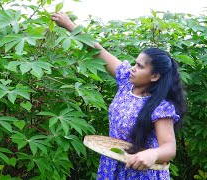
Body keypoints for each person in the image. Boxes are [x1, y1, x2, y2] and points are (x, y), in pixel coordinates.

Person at [51, 12, 187, 180]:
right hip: (112, 165)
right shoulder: (126, 82)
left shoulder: (160, 106)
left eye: (139, 66)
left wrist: (152, 154)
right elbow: (97, 50)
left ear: (155, 76)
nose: (133, 68)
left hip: (142, 172)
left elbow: (169, 148)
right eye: (134, 63)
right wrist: (69, 26)